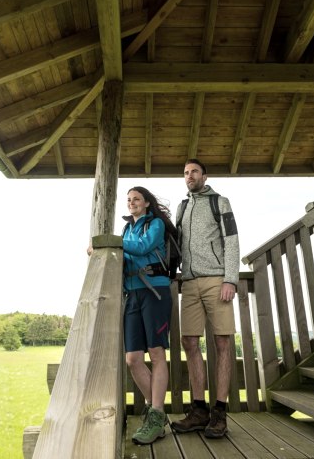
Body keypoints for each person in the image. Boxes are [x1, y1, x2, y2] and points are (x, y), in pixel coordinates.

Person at [171, 159, 240, 438]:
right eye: (186, 173)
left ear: (204, 175)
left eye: (194, 172)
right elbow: (174, 242)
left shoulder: (220, 202)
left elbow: (232, 239)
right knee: (188, 341)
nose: (190, 176)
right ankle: (199, 411)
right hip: (188, 282)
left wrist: (230, 279)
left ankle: (220, 413)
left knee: (222, 341)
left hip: (216, 280)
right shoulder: (182, 207)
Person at [118, 186, 174, 445]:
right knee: (132, 359)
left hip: (155, 291)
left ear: (147, 203)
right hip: (132, 294)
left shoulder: (156, 225)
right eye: (128, 200)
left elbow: (142, 248)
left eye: (136, 199)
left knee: (156, 353)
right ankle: (156, 411)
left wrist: (112, 241)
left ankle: (156, 415)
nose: (132, 203)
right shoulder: (127, 229)